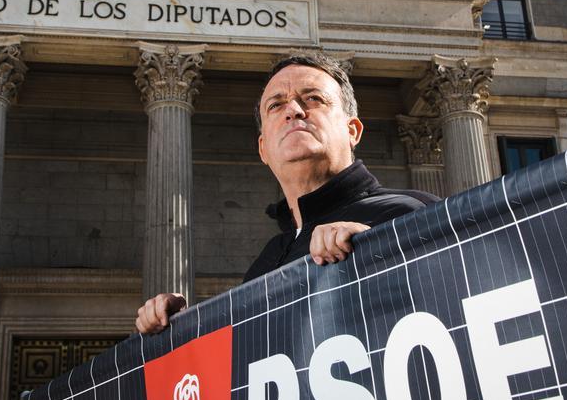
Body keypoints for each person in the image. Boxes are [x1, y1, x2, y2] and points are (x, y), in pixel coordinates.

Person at [135, 54, 437, 334]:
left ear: (353, 130)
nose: (294, 110)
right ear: (263, 148)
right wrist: (184, 330)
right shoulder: (264, 265)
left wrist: (382, 247)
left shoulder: (411, 213)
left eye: (313, 98)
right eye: (276, 105)